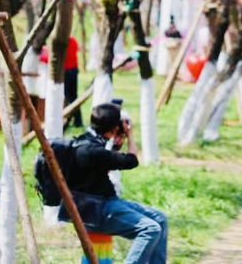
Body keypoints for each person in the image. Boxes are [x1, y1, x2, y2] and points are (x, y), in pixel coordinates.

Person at [60, 102, 168, 264]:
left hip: (101, 203)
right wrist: (130, 135)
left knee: (160, 219)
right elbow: (131, 160)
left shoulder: (85, 141)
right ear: (114, 127)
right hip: (96, 210)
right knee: (150, 229)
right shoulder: (94, 151)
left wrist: (116, 140)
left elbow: (107, 161)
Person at [64, 35, 83, 128]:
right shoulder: (73, 40)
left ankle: (67, 119)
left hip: (66, 71)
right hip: (73, 70)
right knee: (74, 96)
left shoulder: (62, 41)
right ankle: (77, 121)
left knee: (67, 96)